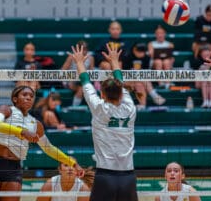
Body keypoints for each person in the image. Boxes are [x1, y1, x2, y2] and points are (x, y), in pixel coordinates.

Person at [0, 86, 83, 201]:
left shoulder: (35, 124)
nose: (28, 98)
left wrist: (71, 163)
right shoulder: (6, 109)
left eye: (31, 96)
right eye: (24, 95)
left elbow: (49, 148)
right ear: (15, 99)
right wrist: (21, 132)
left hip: (14, 168)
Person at [69, 43, 138, 201]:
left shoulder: (99, 107)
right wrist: (115, 60)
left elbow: (85, 81)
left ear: (102, 94)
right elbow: (120, 81)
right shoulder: (130, 107)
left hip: (105, 176)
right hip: (128, 177)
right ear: (121, 94)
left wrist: (79, 62)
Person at [124, 43, 166, 110]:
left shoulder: (146, 57)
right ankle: (154, 95)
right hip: (128, 81)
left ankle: (142, 105)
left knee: (139, 84)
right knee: (139, 76)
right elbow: (124, 72)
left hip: (140, 81)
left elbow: (146, 72)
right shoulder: (127, 56)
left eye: (142, 52)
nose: (141, 54)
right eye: (139, 52)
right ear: (134, 50)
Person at [62, 40, 94, 106]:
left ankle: (74, 107)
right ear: (78, 49)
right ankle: (75, 107)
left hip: (83, 80)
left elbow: (92, 73)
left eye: (85, 49)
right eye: (82, 49)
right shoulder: (71, 57)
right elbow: (63, 70)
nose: (84, 51)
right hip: (71, 80)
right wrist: (65, 82)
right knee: (82, 88)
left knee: (82, 89)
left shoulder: (90, 58)